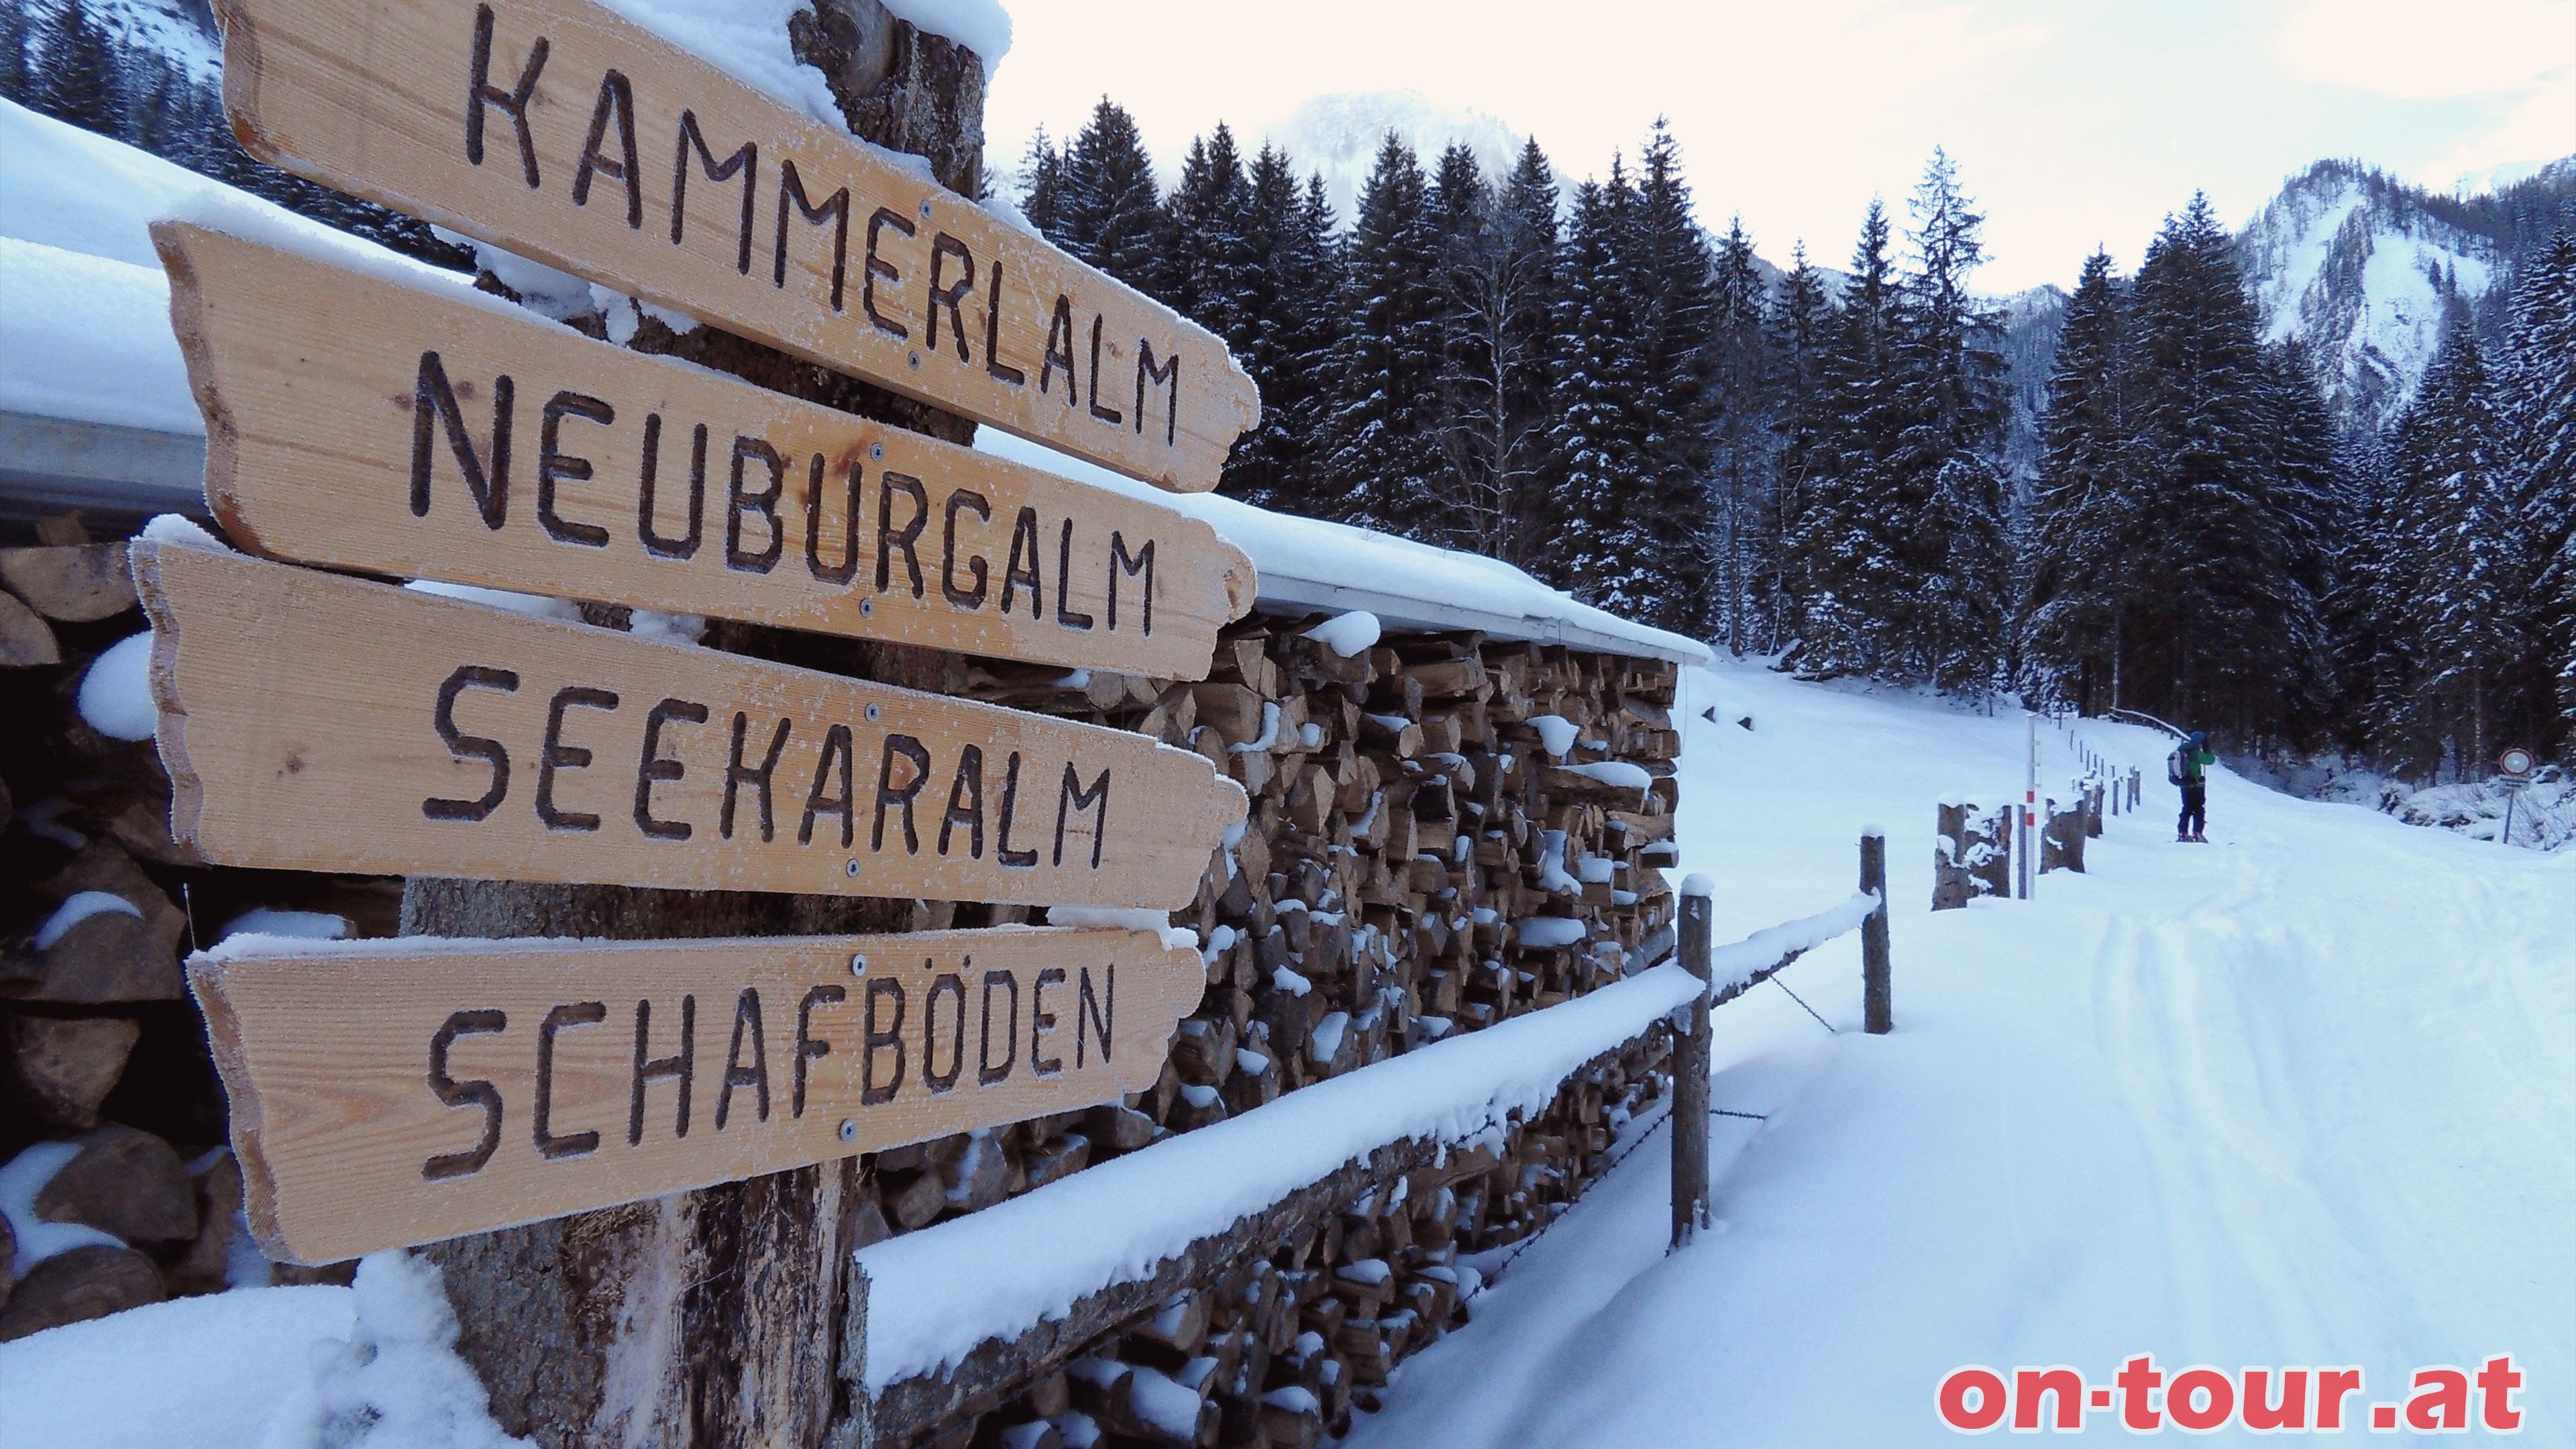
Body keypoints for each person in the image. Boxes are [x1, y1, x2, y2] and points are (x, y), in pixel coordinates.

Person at [2167, 731, 2215, 842]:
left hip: (2184, 784)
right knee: (2199, 809)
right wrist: (2207, 749)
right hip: (2196, 785)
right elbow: (2210, 760)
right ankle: (2198, 833)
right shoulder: (2195, 753)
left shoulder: (2182, 750)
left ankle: (2182, 833)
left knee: (2187, 809)